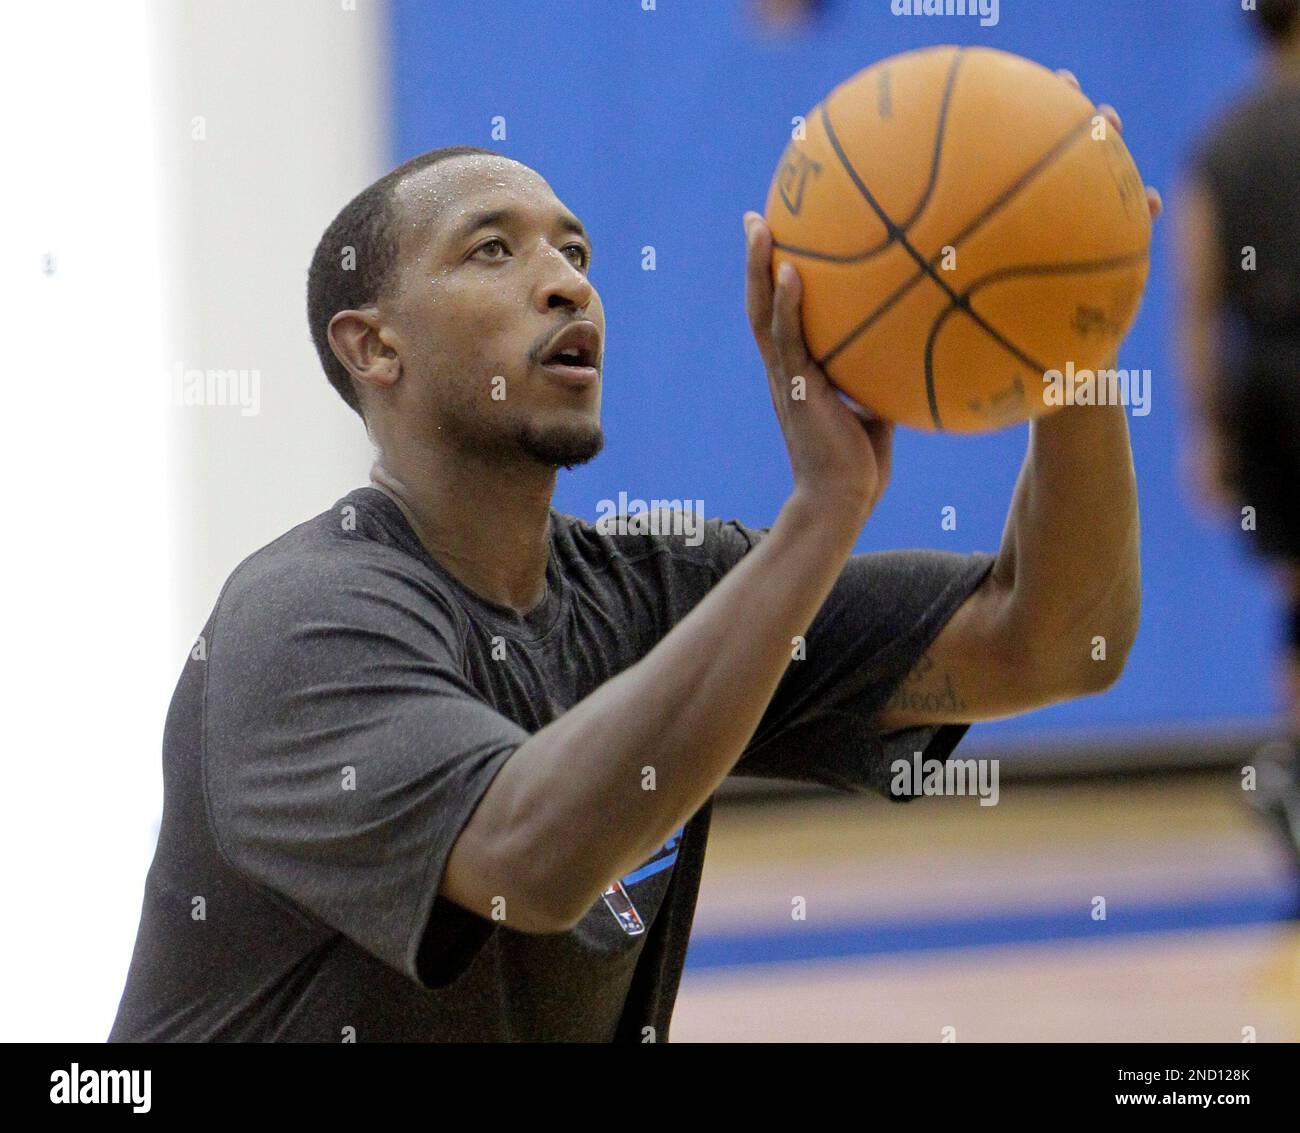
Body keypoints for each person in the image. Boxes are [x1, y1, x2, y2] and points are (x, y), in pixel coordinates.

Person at [110, 83, 1158, 1041]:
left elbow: (1058, 637)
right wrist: (820, 515)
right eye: (492, 250)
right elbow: (533, 859)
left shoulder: (661, 592)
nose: (565, 283)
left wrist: (1069, 333)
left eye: (576, 252)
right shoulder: (302, 620)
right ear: (372, 346)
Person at [1177, 0, 1300, 865]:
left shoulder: (1222, 142)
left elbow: (1197, 302)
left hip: (1267, 386)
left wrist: (1207, 430)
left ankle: (1293, 763)